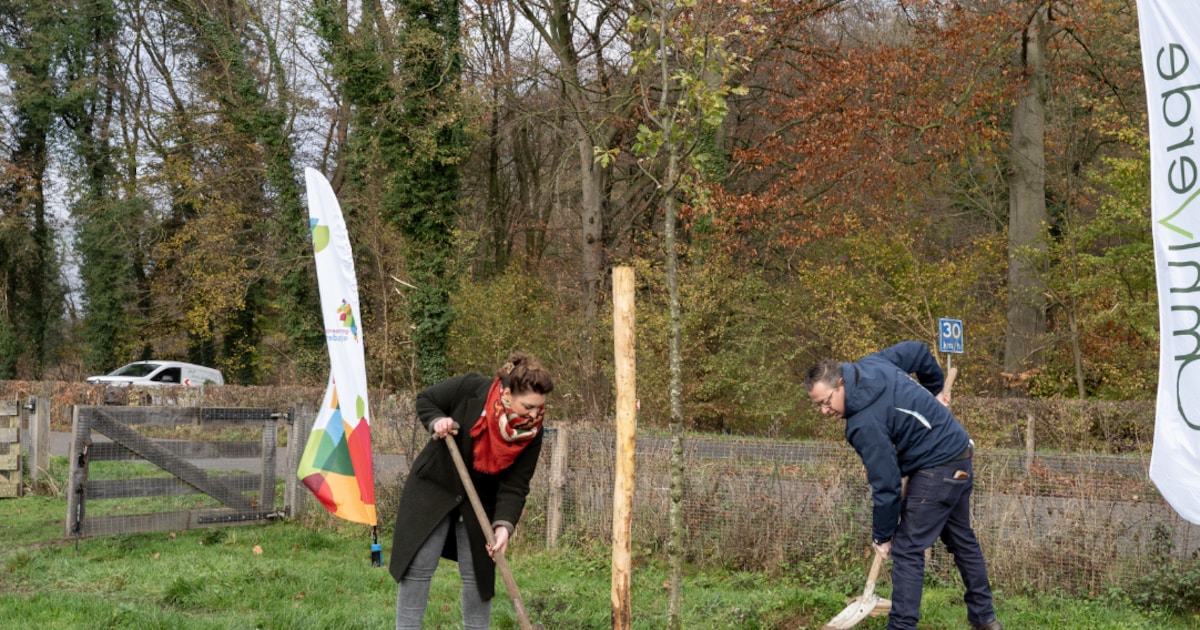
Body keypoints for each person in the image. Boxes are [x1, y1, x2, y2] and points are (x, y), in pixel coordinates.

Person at [804, 341, 1002, 630]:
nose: (824, 411)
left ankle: (902, 626)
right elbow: (917, 351)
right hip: (959, 453)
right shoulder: (872, 364)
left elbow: (886, 484)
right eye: (818, 405)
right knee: (962, 541)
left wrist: (883, 535)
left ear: (841, 382)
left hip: (938, 466)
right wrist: (935, 392)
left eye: (826, 401)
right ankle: (985, 619)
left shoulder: (863, 424)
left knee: (907, 549)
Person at [388, 352, 554, 630]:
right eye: (528, 406)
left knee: (479, 573)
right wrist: (437, 421)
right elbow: (426, 399)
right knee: (418, 566)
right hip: (436, 485)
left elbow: (516, 485)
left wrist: (504, 526)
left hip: (482, 500)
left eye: (540, 407)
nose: (534, 415)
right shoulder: (470, 388)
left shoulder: (531, 432)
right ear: (508, 394)